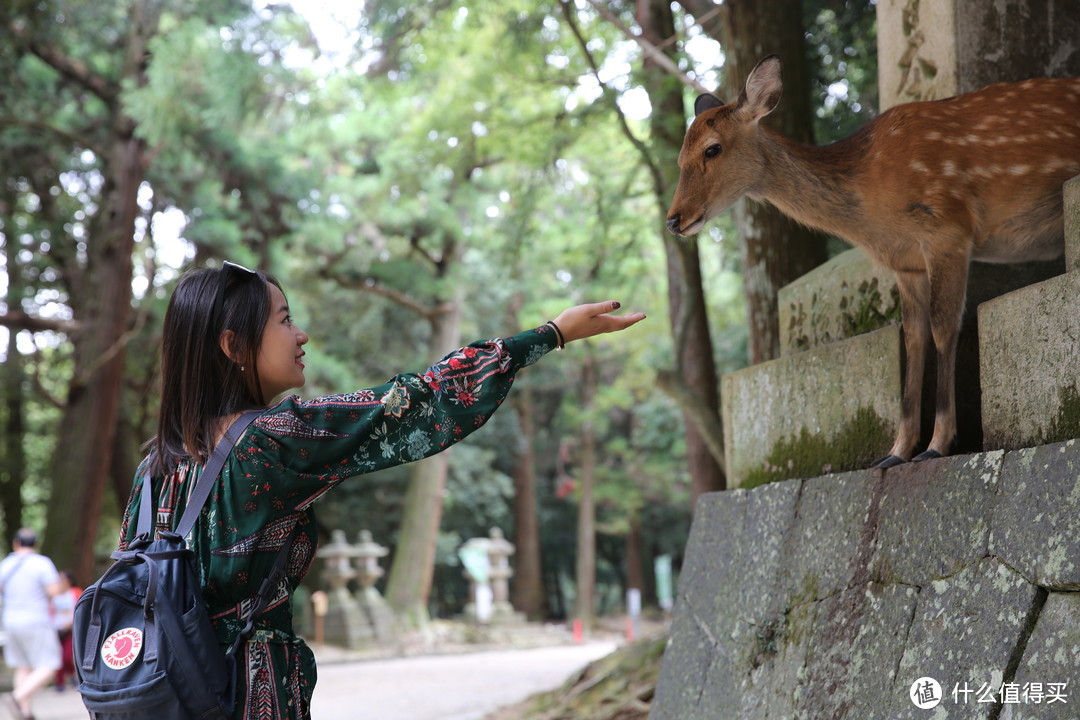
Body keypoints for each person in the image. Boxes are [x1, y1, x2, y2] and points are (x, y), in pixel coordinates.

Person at [117, 261, 645, 720]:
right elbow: (413, 403)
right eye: (285, 320)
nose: (301, 336)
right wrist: (550, 334)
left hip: (162, 695)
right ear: (233, 346)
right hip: (243, 693)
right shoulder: (266, 443)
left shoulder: (153, 470)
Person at [0, 528, 63, 719]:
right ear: (34, 544)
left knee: (22, 666)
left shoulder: (5, 564)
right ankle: (18, 697)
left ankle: (25, 713)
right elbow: (54, 591)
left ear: (16, 543)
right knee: (51, 664)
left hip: (10, 621)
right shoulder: (41, 563)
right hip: (36, 620)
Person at [51, 570, 81, 692]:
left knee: (68, 656)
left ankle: (74, 676)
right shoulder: (53, 595)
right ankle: (59, 683)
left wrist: (70, 623)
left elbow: (80, 609)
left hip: (70, 629)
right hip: (55, 630)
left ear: (69, 581)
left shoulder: (75, 592)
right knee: (57, 657)